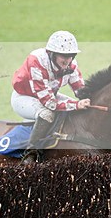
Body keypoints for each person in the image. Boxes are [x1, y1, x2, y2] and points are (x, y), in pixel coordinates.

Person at [11, 30, 91, 162]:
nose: (67, 60)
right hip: (23, 97)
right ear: (52, 53)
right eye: (63, 56)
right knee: (47, 114)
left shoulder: (72, 65)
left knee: (77, 107)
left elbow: (81, 91)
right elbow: (49, 103)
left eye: (70, 55)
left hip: (48, 94)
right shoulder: (36, 61)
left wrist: (92, 99)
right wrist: (76, 105)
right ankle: (30, 154)